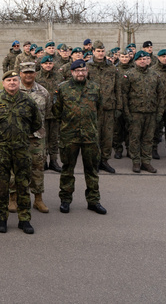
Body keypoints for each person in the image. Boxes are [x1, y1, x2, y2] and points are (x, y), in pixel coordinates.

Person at [0, 70, 38, 234]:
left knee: (23, 185)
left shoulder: (28, 101)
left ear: (19, 82)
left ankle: (24, 219)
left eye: (15, 80)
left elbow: (36, 123)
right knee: (2, 186)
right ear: (3, 83)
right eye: (9, 80)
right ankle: (1, 218)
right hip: (2, 151)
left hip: (22, 150)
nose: (12, 83)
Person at [55, 60, 107, 215]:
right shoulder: (62, 88)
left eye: (83, 70)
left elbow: (99, 110)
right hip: (69, 136)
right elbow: (57, 111)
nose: (80, 73)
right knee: (67, 170)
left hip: (89, 136)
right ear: (72, 72)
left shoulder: (95, 88)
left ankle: (93, 201)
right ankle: (65, 200)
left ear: (87, 71)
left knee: (92, 170)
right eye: (77, 71)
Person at [120, 50, 165, 173]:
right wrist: (127, 113)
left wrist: (159, 112)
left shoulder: (155, 75)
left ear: (148, 60)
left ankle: (146, 162)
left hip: (151, 112)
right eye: (140, 59)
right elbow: (124, 95)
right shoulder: (129, 75)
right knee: (134, 138)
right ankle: (136, 162)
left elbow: (161, 95)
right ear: (135, 61)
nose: (142, 61)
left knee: (148, 138)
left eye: (144, 59)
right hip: (135, 113)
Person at [14, 62, 49, 214]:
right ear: (20, 73)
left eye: (31, 72)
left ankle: (38, 199)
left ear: (35, 73)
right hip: (16, 137)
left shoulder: (43, 92)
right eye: (25, 72)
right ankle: (13, 198)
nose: (28, 75)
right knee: (15, 169)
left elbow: (48, 115)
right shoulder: (13, 90)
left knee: (37, 169)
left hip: (37, 138)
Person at [86, 41, 119, 174]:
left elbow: (118, 88)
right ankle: (94, 162)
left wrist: (119, 107)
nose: (101, 53)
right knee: (94, 136)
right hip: (93, 108)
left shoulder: (111, 68)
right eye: (98, 51)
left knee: (107, 136)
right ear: (93, 52)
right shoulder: (87, 67)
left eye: (102, 51)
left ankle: (104, 161)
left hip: (109, 107)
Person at [35, 55, 62, 171]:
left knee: (54, 138)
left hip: (55, 112)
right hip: (42, 113)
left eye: (50, 64)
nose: (48, 65)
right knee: (42, 138)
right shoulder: (36, 77)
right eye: (46, 64)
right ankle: (43, 161)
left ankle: (54, 161)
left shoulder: (59, 76)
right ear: (41, 64)